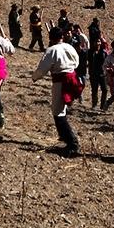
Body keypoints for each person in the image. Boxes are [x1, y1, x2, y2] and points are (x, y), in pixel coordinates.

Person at [32, 27, 82, 157]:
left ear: (51, 38)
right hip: (71, 78)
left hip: (60, 81)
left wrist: (35, 77)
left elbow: (43, 68)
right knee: (61, 110)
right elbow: (76, 62)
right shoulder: (69, 47)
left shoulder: (52, 50)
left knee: (57, 111)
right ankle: (64, 136)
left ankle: (72, 143)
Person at [88, 38, 108, 110]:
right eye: (96, 41)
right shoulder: (90, 52)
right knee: (94, 90)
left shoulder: (104, 52)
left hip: (102, 74)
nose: (97, 43)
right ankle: (94, 104)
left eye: (99, 41)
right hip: (93, 74)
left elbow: (107, 62)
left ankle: (102, 105)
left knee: (105, 90)